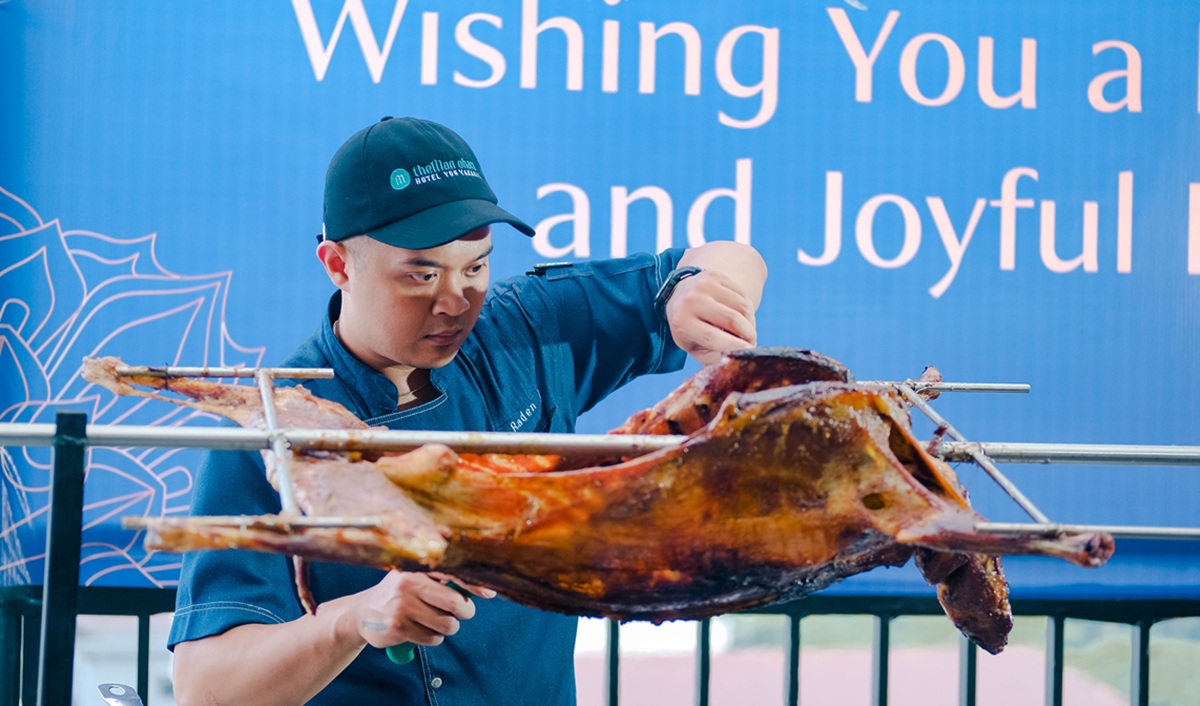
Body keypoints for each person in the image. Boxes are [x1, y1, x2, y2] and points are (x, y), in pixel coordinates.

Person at [168, 116, 768, 705]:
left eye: (475, 267)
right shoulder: (274, 428)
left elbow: (731, 256)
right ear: (338, 264)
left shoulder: (529, 327)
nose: (456, 302)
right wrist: (351, 619)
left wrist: (697, 289)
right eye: (421, 274)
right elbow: (205, 688)